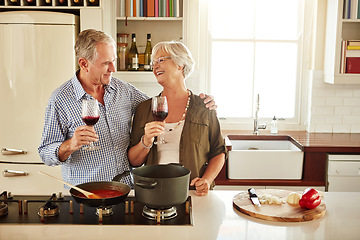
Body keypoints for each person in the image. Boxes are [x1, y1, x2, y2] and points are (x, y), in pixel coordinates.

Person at [38, 29, 215, 188]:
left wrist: (202, 103)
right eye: (106, 63)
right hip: (86, 195)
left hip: (125, 191)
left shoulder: (123, 90)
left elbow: (158, 106)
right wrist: (70, 145)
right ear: (84, 64)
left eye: (113, 61)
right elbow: (45, 153)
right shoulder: (60, 99)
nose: (113, 69)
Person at [128, 41, 227, 196]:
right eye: (153, 63)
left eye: (161, 60)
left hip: (193, 193)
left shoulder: (204, 107)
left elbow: (219, 151)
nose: (155, 67)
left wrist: (207, 180)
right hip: (155, 194)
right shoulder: (144, 108)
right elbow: (134, 161)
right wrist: (146, 141)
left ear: (180, 64)